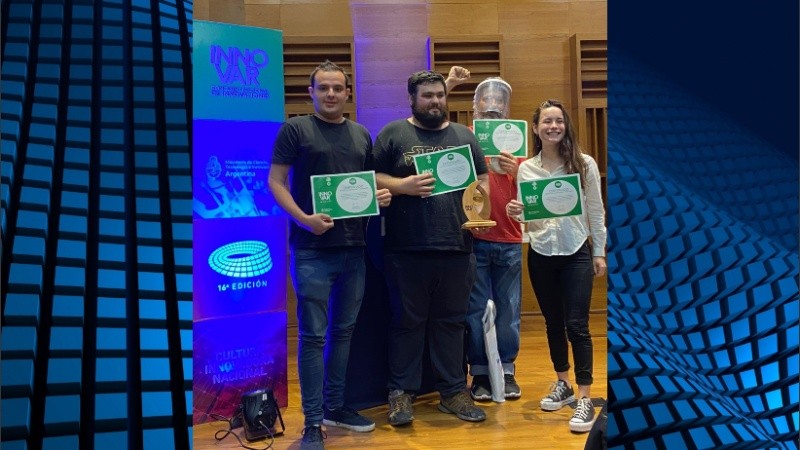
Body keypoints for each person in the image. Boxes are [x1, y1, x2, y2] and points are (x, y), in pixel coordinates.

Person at [268, 60, 392, 450]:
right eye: (323, 88)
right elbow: (275, 181)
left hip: (354, 250)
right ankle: (311, 422)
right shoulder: (295, 129)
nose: (331, 94)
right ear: (311, 92)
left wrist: (381, 196)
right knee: (313, 337)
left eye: (338, 87)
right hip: (310, 252)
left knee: (343, 333)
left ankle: (336, 407)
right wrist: (304, 219)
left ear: (348, 92)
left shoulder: (360, 134)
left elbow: (366, 186)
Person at [373, 70, 489, 427]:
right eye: (427, 96)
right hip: (405, 248)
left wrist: (478, 204)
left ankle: (454, 392)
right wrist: (404, 185)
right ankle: (400, 393)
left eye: (439, 94)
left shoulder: (464, 136)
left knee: (452, 323)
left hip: (457, 246)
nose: (435, 101)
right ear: (412, 98)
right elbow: (372, 177)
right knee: (407, 323)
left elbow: (482, 180)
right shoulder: (394, 133)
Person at [505, 99, 607, 433]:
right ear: (535, 128)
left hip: (576, 251)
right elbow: (528, 219)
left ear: (566, 126)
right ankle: (562, 383)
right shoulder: (526, 169)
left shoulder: (584, 164)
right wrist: (517, 215)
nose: (553, 126)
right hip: (541, 252)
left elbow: (596, 211)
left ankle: (584, 398)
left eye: (558, 121)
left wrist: (599, 252)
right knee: (553, 323)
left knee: (577, 325)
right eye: (546, 121)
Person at [445, 67, 525, 401]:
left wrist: (516, 170)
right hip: (475, 239)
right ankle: (479, 373)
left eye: (499, 100)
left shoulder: (517, 142)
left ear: (507, 106)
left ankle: (505, 371)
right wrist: (448, 85)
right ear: (476, 104)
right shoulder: (465, 135)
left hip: (509, 239)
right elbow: (433, 125)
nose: (492, 104)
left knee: (509, 311)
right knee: (474, 309)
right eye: (486, 99)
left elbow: (532, 192)